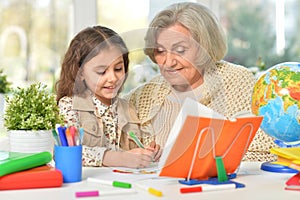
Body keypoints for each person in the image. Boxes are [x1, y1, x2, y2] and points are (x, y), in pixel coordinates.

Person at [125, 2, 276, 161]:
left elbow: (267, 152)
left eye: (180, 50)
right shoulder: (145, 96)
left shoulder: (239, 82)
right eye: (160, 51)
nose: (168, 62)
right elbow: (104, 135)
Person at [55, 25, 160, 168]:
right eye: (102, 71)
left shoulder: (128, 108)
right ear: (80, 73)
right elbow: (63, 151)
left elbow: (137, 149)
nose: (113, 78)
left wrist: (148, 153)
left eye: (118, 69)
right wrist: (113, 158)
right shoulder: (69, 106)